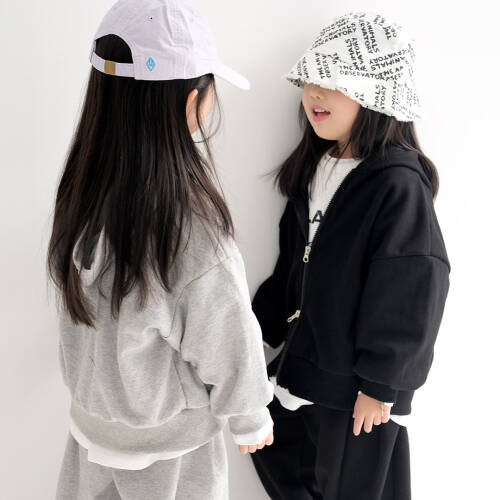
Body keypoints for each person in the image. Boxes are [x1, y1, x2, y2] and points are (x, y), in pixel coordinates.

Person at [48, 1, 273, 498]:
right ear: (192, 101)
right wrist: (250, 416)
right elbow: (225, 333)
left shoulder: (81, 193)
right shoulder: (190, 225)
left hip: (91, 434)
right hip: (172, 454)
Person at [250, 11, 450, 500]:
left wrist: (382, 385)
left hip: (361, 390)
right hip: (305, 369)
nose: (315, 93)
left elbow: (411, 287)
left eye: (334, 82)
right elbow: (292, 266)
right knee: (275, 453)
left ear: (378, 96)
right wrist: (255, 335)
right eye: (310, 79)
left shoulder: (397, 184)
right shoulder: (317, 168)